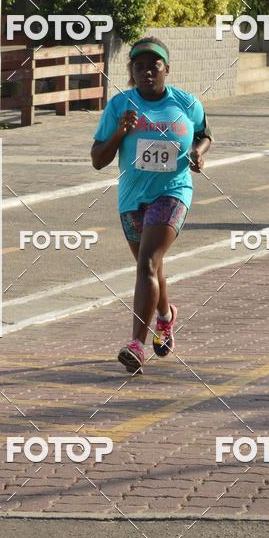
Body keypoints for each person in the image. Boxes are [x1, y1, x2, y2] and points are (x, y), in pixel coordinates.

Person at [91, 36, 213, 374]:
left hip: (173, 192)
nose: (147, 71)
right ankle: (166, 316)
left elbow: (205, 134)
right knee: (153, 267)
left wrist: (198, 155)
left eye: (153, 65)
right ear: (131, 71)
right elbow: (97, 160)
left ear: (166, 69)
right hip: (132, 199)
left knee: (147, 263)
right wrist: (118, 133)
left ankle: (136, 345)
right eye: (139, 66)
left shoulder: (187, 104)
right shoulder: (119, 106)